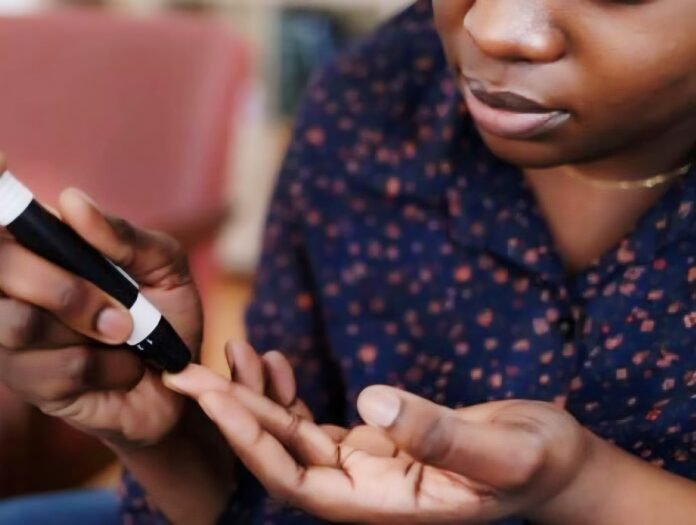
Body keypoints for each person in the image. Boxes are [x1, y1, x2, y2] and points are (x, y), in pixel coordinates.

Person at [0, 0, 694, 523]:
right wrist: (169, 436)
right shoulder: (369, 104)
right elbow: (276, 486)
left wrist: (583, 484)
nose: (494, 26)